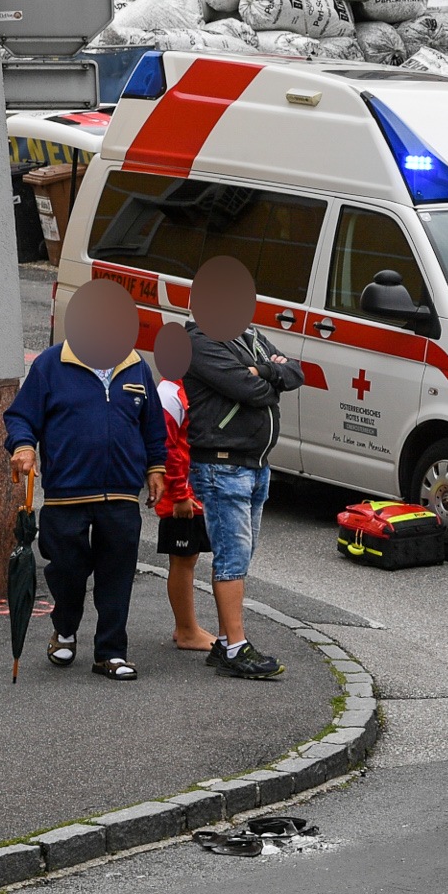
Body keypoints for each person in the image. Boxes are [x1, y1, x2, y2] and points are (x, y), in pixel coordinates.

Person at [2, 280, 164, 681]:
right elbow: (21, 416)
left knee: (117, 573)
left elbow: (153, 427)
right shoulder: (51, 364)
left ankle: (110, 653)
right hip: (66, 494)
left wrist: (156, 469)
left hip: (122, 494)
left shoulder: (136, 366)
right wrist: (23, 447)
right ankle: (65, 627)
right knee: (68, 570)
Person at [182, 257, 302, 681]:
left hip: (255, 465)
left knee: (242, 556)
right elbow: (251, 391)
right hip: (223, 467)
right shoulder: (197, 341)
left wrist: (266, 369)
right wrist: (269, 375)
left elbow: (296, 372)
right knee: (233, 559)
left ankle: (226, 644)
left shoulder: (247, 336)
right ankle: (235, 647)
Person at [152, 324, 216, 652]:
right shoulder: (169, 392)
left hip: (185, 491)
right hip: (179, 495)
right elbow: (168, 449)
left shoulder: (179, 389)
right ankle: (186, 630)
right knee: (183, 557)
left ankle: (187, 627)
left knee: (188, 556)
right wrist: (180, 495)